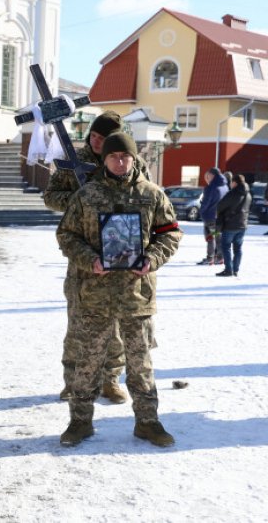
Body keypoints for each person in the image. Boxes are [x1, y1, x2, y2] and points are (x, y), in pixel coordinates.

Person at [56, 132, 182, 448]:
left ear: (134, 157)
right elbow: (66, 236)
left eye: (125, 156)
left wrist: (152, 258)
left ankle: (148, 422)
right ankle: (80, 421)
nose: (120, 161)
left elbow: (170, 234)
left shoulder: (152, 195)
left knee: (140, 363)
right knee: (88, 361)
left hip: (136, 295)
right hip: (94, 294)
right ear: (106, 159)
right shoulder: (86, 196)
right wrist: (90, 260)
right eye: (114, 156)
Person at [44, 111, 152, 404]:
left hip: (123, 250)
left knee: (116, 324)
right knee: (79, 322)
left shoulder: (132, 162)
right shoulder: (72, 160)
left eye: (103, 138)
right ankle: (73, 380)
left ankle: (110, 379)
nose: (95, 142)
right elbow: (50, 196)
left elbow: (148, 198)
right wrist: (82, 199)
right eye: (93, 136)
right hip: (85, 253)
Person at [216, 174, 251, 277]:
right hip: (242, 225)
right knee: (238, 248)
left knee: (226, 247)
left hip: (230, 225)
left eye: (231, 182)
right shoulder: (248, 194)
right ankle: (235, 270)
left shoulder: (232, 193)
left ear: (235, 182)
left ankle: (228, 270)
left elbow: (220, 206)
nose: (230, 184)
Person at [197, 167, 228, 265]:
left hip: (210, 217)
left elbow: (206, 202)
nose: (207, 178)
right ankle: (220, 257)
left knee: (210, 237)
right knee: (218, 237)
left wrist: (202, 211)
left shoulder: (211, 187)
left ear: (212, 175)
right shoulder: (225, 186)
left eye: (208, 176)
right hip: (220, 216)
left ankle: (210, 258)